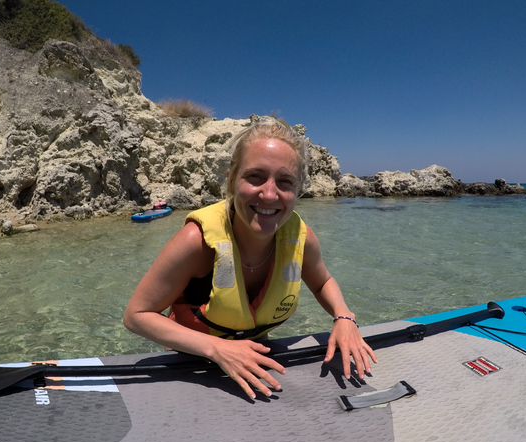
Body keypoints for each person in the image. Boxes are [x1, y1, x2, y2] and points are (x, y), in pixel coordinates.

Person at [123, 117, 377, 400]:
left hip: (255, 365)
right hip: (191, 365)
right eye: (255, 176)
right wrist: (217, 349)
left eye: (285, 182)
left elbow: (322, 282)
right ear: (232, 179)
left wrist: (344, 317)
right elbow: (136, 316)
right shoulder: (198, 242)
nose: (269, 194)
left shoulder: (301, 239)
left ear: (298, 191)